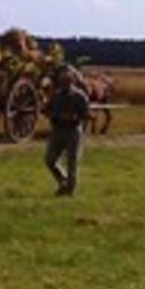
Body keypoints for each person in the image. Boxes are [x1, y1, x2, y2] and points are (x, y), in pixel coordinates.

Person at [44, 65, 90, 196]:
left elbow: (86, 114)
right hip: (57, 130)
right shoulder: (56, 95)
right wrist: (50, 114)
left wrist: (75, 117)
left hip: (73, 131)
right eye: (62, 81)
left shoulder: (80, 96)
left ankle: (70, 189)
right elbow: (47, 109)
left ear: (72, 81)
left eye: (67, 81)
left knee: (72, 161)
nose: (64, 83)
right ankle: (63, 180)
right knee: (50, 160)